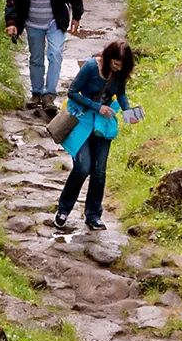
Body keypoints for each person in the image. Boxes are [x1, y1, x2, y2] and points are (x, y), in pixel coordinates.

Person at [55, 39, 136, 233]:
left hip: (103, 124)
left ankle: (93, 215)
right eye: (115, 64)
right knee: (82, 167)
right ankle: (63, 209)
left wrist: (128, 111)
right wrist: (97, 107)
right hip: (82, 120)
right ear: (108, 57)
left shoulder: (120, 73)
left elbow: (121, 94)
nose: (117, 68)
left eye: (121, 66)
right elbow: (73, 92)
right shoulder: (91, 67)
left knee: (99, 171)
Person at [0, 0, 82, 107]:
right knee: (36, 58)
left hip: (55, 19)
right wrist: (11, 22)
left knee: (56, 53)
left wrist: (77, 15)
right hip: (32, 21)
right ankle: (36, 93)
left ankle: (49, 95)